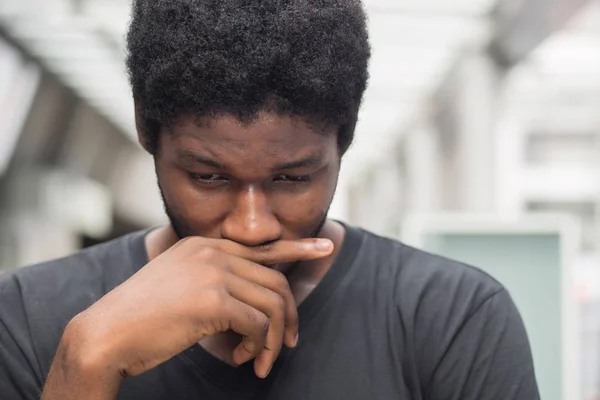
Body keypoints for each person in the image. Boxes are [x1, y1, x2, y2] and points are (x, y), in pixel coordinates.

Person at [0, 1, 539, 399]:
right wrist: (84, 365)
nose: (253, 226)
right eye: (209, 177)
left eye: (292, 179)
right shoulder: (28, 316)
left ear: (344, 137)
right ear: (148, 130)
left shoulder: (453, 320)